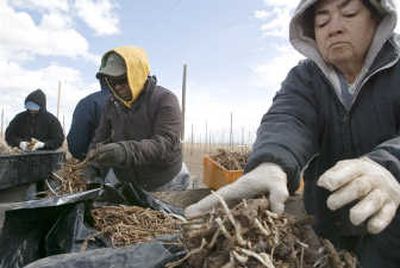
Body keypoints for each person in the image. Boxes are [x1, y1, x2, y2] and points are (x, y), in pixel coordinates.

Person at [186, 0, 400, 266]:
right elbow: (290, 117)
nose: (334, 28)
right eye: (322, 21)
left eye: (349, 13)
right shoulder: (306, 77)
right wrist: (272, 162)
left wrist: (389, 167)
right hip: (326, 233)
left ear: (377, 19)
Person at [87, 46, 190, 192]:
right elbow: (99, 138)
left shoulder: (164, 99)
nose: (117, 87)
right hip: (125, 180)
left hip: (164, 181)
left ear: (137, 74)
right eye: (111, 81)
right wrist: (92, 166)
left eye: (122, 80)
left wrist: (125, 151)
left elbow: (165, 143)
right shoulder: (111, 104)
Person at [67, 80, 111, 160]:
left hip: (97, 165)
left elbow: (77, 146)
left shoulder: (88, 103)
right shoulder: (137, 102)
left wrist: (87, 157)